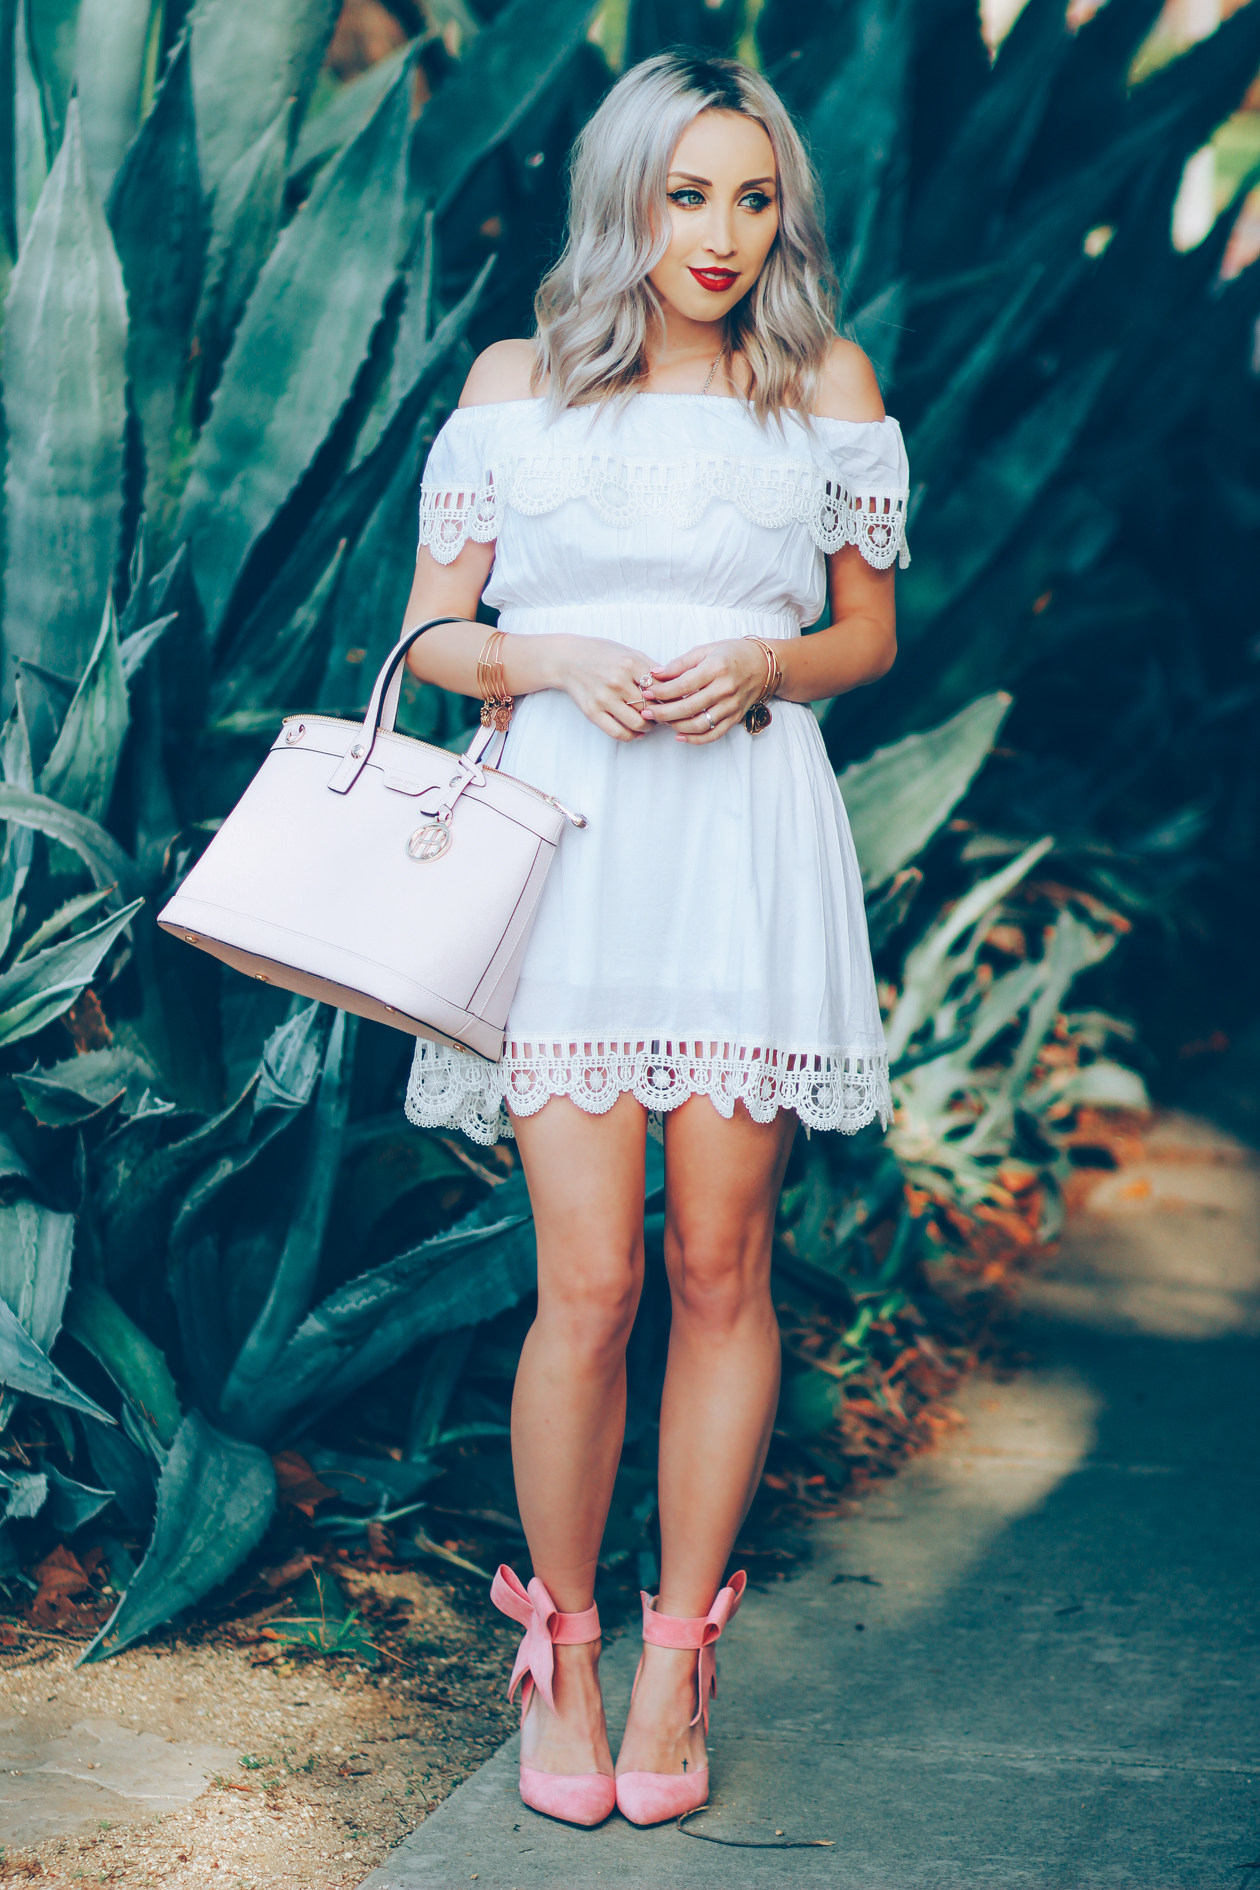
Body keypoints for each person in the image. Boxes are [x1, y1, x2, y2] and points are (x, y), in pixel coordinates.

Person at [399, 49, 908, 1829]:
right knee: (590, 1283)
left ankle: (684, 1645)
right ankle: (567, 1647)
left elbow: (865, 640)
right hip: (570, 846)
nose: (722, 233)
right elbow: (437, 639)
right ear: (623, 197)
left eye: (754, 198)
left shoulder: (821, 387)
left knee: (719, 1267)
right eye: (688, 194)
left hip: (745, 839)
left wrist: (765, 660)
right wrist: (551, 656)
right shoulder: (514, 387)